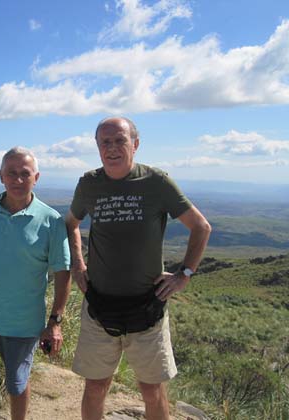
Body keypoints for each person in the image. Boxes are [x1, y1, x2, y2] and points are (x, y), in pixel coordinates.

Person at [65, 117, 212, 420]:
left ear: (135, 143)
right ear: (97, 147)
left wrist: (184, 274)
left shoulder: (156, 182)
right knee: (95, 385)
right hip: (98, 305)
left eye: (120, 140)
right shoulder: (89, 184)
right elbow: (71, 224)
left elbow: (200, 227)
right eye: (105, 142)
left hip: (148, 305)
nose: (112, 148)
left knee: (151, 389)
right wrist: (78, 264)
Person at [0, 146, 71, 420]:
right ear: (1, 176)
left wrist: (55, 322)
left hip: (23, 325)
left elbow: (63, 273)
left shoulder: (51, 220)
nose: (18, 180)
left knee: (17, 387)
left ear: (36, 177)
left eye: (25, 174)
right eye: (11, 173)